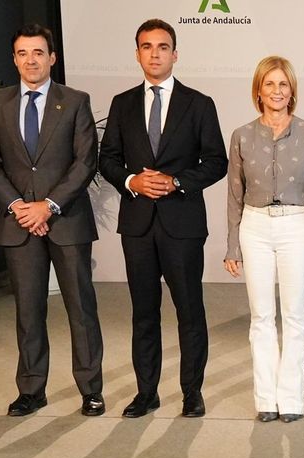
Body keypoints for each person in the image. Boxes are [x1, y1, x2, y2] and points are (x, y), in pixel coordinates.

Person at [99, 18, 228, 419]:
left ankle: (192, 393)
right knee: (143, 312)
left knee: (190, 310)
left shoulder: (199, 103)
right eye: (146, 46)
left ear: (175, 53)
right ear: (137, 53)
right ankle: (146, 393)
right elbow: (107, 159)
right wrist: (132, 180)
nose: (154, 53)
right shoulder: (122, 104)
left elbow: (217, 162)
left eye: (162, 46)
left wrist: (176, 182)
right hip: (137, 223)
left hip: (182, 223)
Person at [0, 24, 104, 418]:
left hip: (65, 221)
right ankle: (31, 390)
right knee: (29, 311)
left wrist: (48, 206)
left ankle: (90, 391)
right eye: (22, 53)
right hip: (17, 223)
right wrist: (19, 206)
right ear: (14, 59)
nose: (30, 60)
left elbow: (85, 161)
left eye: (37, 52)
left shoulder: (76, 101)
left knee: (80, 308)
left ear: (52, 57)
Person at [223, 56, 304, 423]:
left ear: (292, 90)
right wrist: (232, 244)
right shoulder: (241, 135)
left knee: (294, 314)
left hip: (297, 226)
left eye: (283, 84)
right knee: (261, 316)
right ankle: (266, 399)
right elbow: (234, 194)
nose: (277, 91)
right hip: (254, 226)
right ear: (258, 90)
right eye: (269, 84)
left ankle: (292, 399)